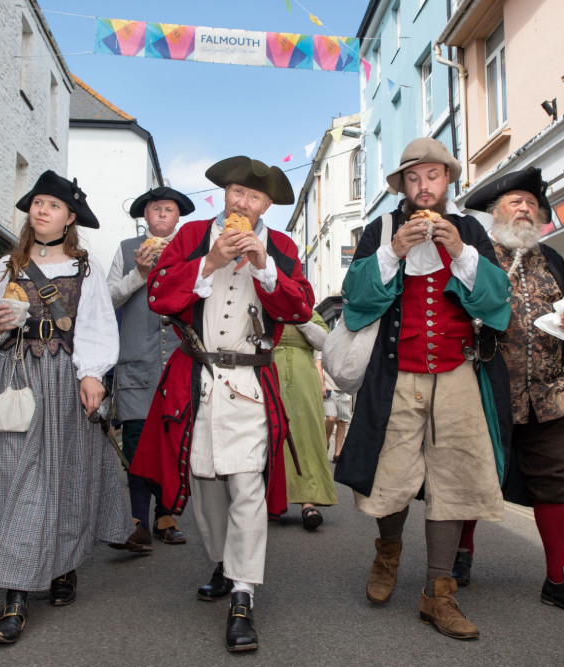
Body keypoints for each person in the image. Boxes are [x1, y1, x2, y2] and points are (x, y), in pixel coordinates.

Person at [128, 156, 314, 653]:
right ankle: (222, 561)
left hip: (252, 383)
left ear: (266, 205)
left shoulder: (282, 247)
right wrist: (209, 262)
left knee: (247, 484)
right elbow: (160, 297)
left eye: (253, 198)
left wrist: (263, 265)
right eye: (235, 193)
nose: (242, 203)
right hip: (199, 380)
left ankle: (243, 595)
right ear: (224, 195)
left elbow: (300, 306)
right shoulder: (190, 236)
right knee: (206, 486)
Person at [333, 138, 511, 641]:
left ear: (447, 181)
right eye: (413, 179)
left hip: (458, 371)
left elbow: (498, 300)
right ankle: (388, 550)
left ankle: (439, 590)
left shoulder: (472, 229)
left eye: (432, 177)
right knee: (390, 476)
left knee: (455, 479)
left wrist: (459, 250)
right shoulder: (382, 229)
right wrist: (393, 251)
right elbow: (356, 297)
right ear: (403, 187)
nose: (423, 187)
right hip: (397, 374)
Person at [0, 171, 134, 644]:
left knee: (65, 475)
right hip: (15, 378)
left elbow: (99, 327)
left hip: (64, 379)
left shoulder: (85, 269)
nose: (42, 210)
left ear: (69, 219)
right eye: (37, 203)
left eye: (53, 205)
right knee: (13, 478)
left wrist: (92, 374)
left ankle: (62, 566)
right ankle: (16, 593)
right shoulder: (5, 266)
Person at [461, 165, 564, 620]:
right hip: (489, 389)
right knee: (473, 475)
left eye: (533, 204)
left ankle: (558, 580)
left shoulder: (555, 261)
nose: (526, 209)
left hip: (551, 390)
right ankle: (460, 552)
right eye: (515, 202)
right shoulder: (476, 257)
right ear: (496, 213)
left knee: (559, 480)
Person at [107, 186, 195, 549]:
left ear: (178, 217)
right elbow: (109, 297)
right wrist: (139, 274)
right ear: (146, 216)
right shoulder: (127, 249)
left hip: (178, 362)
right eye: (156, 209)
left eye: (169, 210)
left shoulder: (191, 248)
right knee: (136, 443)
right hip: (136, 365)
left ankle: (166, 515)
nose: (162, 215)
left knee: (173, 443)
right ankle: (138, 521)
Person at [274, 310, 337, 529]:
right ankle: (266, 501)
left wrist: (300, 316)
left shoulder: (306, 308)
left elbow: (324, 342)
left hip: (303, 381)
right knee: (268, 437)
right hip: (267, 374)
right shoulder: (261, 302)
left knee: (306, 437)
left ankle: (308, 501)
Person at [321, 365, 353, 463]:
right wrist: (322, 385)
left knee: (342, 422)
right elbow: (319, 364)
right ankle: (326, 442)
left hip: (346, 390)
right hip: (329, 389)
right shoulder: (325, 349)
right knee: (331, 418)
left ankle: (337, 453)